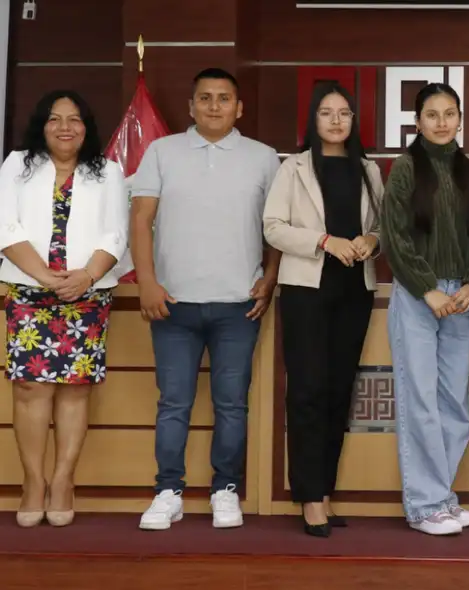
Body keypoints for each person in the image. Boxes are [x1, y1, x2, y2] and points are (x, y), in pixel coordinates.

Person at [130, 68, 282, 531]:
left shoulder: (263, 157)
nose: (214, 106)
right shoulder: (162, 151)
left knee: (232, 404)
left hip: (239, 304)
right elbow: (140, 220)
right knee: (173, 403)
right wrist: (147, 283)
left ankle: (225, 490)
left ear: (239, 108)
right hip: (172, 303)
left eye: (223, 98)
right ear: (192, 106)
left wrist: (271, 277)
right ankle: (168, 491)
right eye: (205, 98)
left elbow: (276, 226)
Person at [0, 90, 129, 528]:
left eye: (74, 119)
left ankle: (62, 481)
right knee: (30, 390)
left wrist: (86, 277)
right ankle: (32, 483)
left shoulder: (107, 171)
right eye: (55, 119)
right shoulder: (18, 164)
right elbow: (5, 225)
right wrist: (42, 275)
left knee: (75, 388)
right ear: (43, 125)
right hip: (29, 289)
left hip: (86, 293)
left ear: (87, 127)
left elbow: (116, 233)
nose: (65, 127)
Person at [263, 81, 384, 538]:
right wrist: (323, 241)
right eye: (326, 112)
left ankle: (325, 492)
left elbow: (382, 229)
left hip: (355, 291)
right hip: (306, 291)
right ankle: (309, 497)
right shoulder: (292, 168)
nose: (336, 120)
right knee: (308, 392)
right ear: (312, 120)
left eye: (345, 113)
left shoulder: (369, 171)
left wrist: (372, 241)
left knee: (338, 393)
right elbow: (272, 227)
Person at [380, 82, 469, 536]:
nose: (442, 122)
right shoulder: (406, 169)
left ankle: (442, 497)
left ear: (460, 119)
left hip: (461, 299)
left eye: (450, 114)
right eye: (432, 115)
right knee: (421, 400)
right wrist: (428, 289)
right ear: (418, 121)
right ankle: (424, 505)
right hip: (418, 295)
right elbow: (395, 237)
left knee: (453, 404)